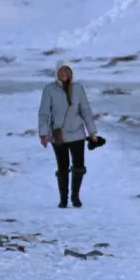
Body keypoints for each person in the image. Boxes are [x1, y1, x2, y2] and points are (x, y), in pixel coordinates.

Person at [38, 61, 98, 208]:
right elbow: (44, 113)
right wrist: (43, 134)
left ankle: (75, 197)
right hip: (58, 136)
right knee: (63, 167)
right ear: (57, 73)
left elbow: (86, 111)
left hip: (77, 134)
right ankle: (63, 199)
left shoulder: (78, 89)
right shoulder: (49, 90)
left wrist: (92, 132)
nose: (64, 74)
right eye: (61, 71)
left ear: (71, 73)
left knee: (79, 167)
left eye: (67, 71)